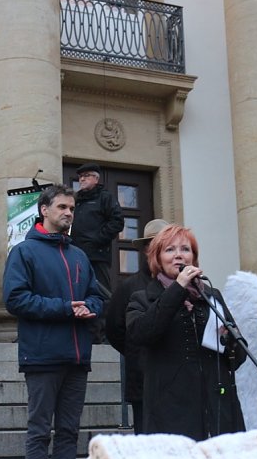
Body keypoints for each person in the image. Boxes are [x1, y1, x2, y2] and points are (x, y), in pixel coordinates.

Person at [3, 184, 103, 459]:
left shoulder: (79, 256)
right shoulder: (24, 252)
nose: (69, 213)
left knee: (70, 432)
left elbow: (95, 295)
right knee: (39, 432)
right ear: (44, 210)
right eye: (62, 207)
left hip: (78, 358)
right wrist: (65, 308)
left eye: (72, 208)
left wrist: (90, 308)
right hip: (42, 356)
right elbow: (15, 299)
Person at [126, 224, 246, 441]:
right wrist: (177, 288)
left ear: (194, 257)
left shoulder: (211, 296)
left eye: (185, 249)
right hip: (170, 408)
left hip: (217, 406)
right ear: (157, 258)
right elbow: (141, 334)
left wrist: (230, 341)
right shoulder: (142, 298)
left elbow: (238, 357)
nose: (178, 256)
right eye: (170, 250)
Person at [105, 218, 169, 434]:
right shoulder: (130, 287)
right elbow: (114, 329)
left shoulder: (184, 284)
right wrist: (137, 349)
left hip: (177, 383)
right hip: (143, 379)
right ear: (146, 249)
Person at [70, 163, 123, 343]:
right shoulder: (75, 200)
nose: (82, 179)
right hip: (75, 255)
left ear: (96, 178)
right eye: (80, 176)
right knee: (78, 294)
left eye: (86, 175)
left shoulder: (105, 198)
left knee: (102, 295)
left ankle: (105, 335)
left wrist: (96, 239)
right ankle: (85, 333)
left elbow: (117, 222)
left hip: (96, 256)